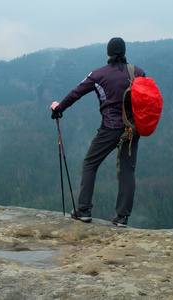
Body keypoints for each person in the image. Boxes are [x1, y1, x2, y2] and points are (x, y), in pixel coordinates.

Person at [50, 37, 145, 227]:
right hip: (132, 129)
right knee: (128, 171)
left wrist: (58, 108)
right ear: (124, 52)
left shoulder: (98, 75)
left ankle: (84, 210)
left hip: (110, 129)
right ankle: (122, 217)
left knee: (90, 164)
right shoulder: (138, 72)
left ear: (108, 53)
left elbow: (76, 92)